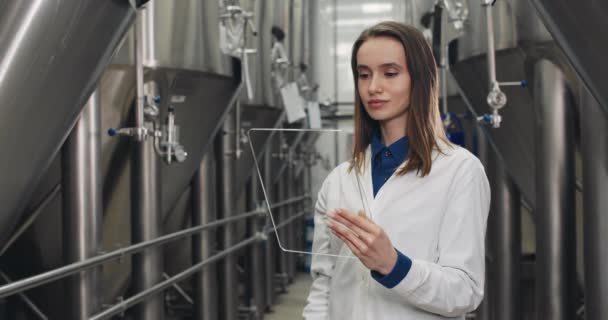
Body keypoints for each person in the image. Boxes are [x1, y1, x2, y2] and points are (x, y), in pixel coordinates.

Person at [302, 21, 490, 319]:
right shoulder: (339, 180)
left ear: (421, 79)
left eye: (390, 73)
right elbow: (324, 282)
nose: (373, 87)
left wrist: (393, 265)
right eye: (364, 75)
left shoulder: (460, 171)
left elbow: (464, 291)